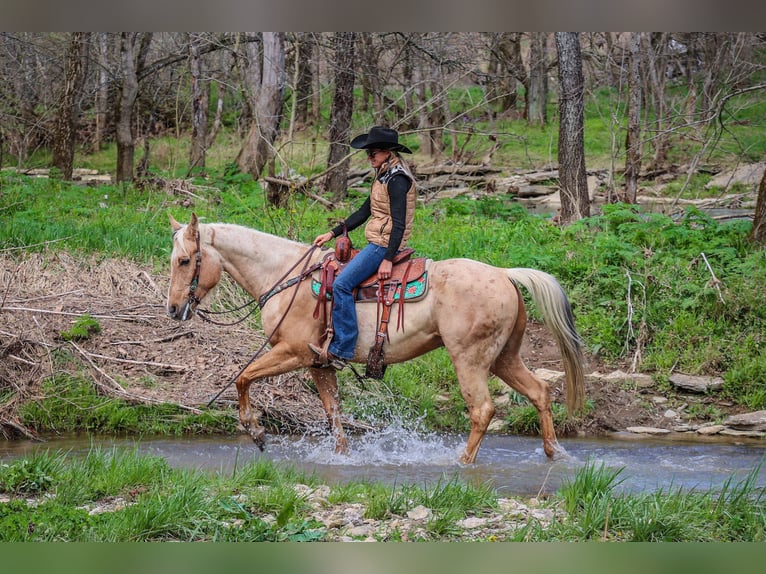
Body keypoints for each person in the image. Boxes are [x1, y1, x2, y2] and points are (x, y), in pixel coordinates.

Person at [309, 126, 417, 368]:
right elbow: (364, 211)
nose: (369, 157)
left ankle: (342, 348)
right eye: (367, 153)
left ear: (388, 152)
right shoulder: (383, 175)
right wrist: (332, 233)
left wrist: (388, 258)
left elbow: (398, 224)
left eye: (374, 153)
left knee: (342, 284)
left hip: (383, 244)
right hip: (378, 240)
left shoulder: (397, 180)